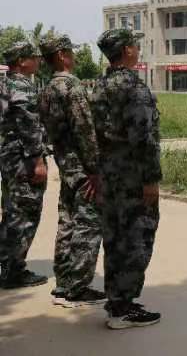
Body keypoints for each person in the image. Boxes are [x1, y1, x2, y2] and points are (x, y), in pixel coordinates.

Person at [91, 29, 161, 329]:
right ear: (127, 51)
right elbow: (143, 139)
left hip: (109, 174)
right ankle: (123, 308)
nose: (138, 49)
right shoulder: (134, 88)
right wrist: (151, 179)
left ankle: (116, 300)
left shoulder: (98, 86)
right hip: (132, 177)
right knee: (137, 238)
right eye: (135, 45)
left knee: (114, 238)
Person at [39, 33, 105, 307]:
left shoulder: (47, 89)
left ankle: (63, 283)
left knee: (67, 221)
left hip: (65, 163)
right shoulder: (72, 87)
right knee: (89, 223)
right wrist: (95, 169)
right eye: (70, 52)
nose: (74, 56)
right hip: (81, 166)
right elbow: (85, 131)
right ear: (61, 55)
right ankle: (78, 288)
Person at [0, 41, 49, 289]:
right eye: (33, 56)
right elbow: (29, 127)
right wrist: (37, 160)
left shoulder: (4, 83)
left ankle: (7, 265)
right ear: (21, 61)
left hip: (9, 157)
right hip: (23, 160)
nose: (38, 60)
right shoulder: (21, 86)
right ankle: (13, 271)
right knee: (25, 214)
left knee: (11, 211)